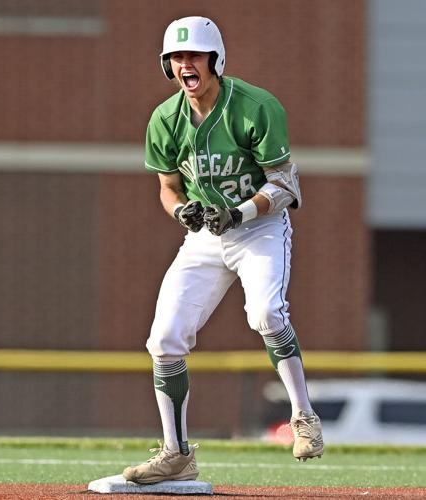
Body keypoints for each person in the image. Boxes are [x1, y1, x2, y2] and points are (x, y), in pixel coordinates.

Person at [123, 16, 323, 484]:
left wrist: (240, 213)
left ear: (215, 60)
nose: (184, 64)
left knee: (267, 313)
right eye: (176, 57)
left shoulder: (255, 106)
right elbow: (168, 187)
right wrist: (181, 213)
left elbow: (284, 184)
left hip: (260, 227)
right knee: (164, 340)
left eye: (194, 55)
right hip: (206, 237)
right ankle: (176, 454)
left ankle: (304, 418)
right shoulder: (165, 119)